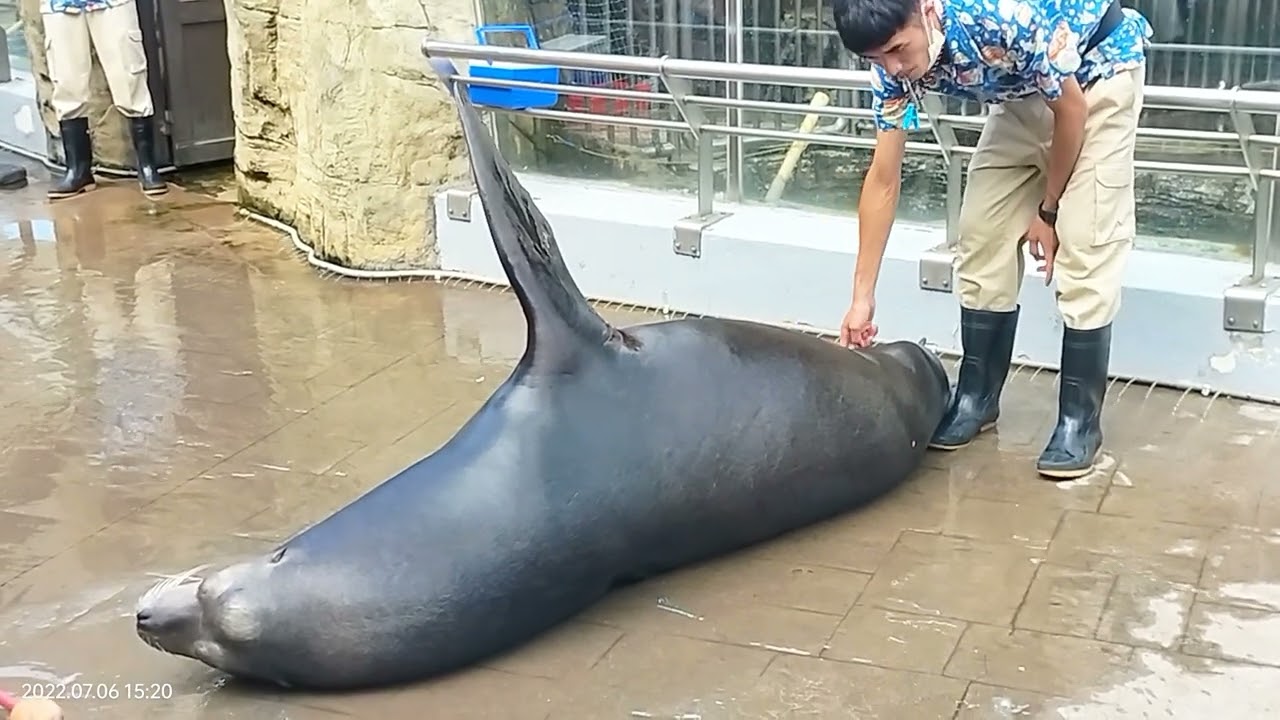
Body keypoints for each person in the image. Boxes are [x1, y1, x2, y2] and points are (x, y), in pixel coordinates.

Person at [831, 0, 1151, 479]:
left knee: (1087, 244)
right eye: (877, 58)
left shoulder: (999, 16)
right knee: (982, 233)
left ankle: (1078, 421)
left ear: (926, 10)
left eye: (898, 49)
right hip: (1023, 95)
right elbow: (883, 180)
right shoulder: (890, 68)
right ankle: (977, 398)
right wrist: (862, 298)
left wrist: (1048, 211)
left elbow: (1071, 111)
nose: (893, 67)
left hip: (1095, 77)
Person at [40, 0, 168, 200]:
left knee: (129, 76)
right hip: (58, 5)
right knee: (66, 81)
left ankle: (147, 166)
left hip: (113, 4)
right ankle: (78, 170)